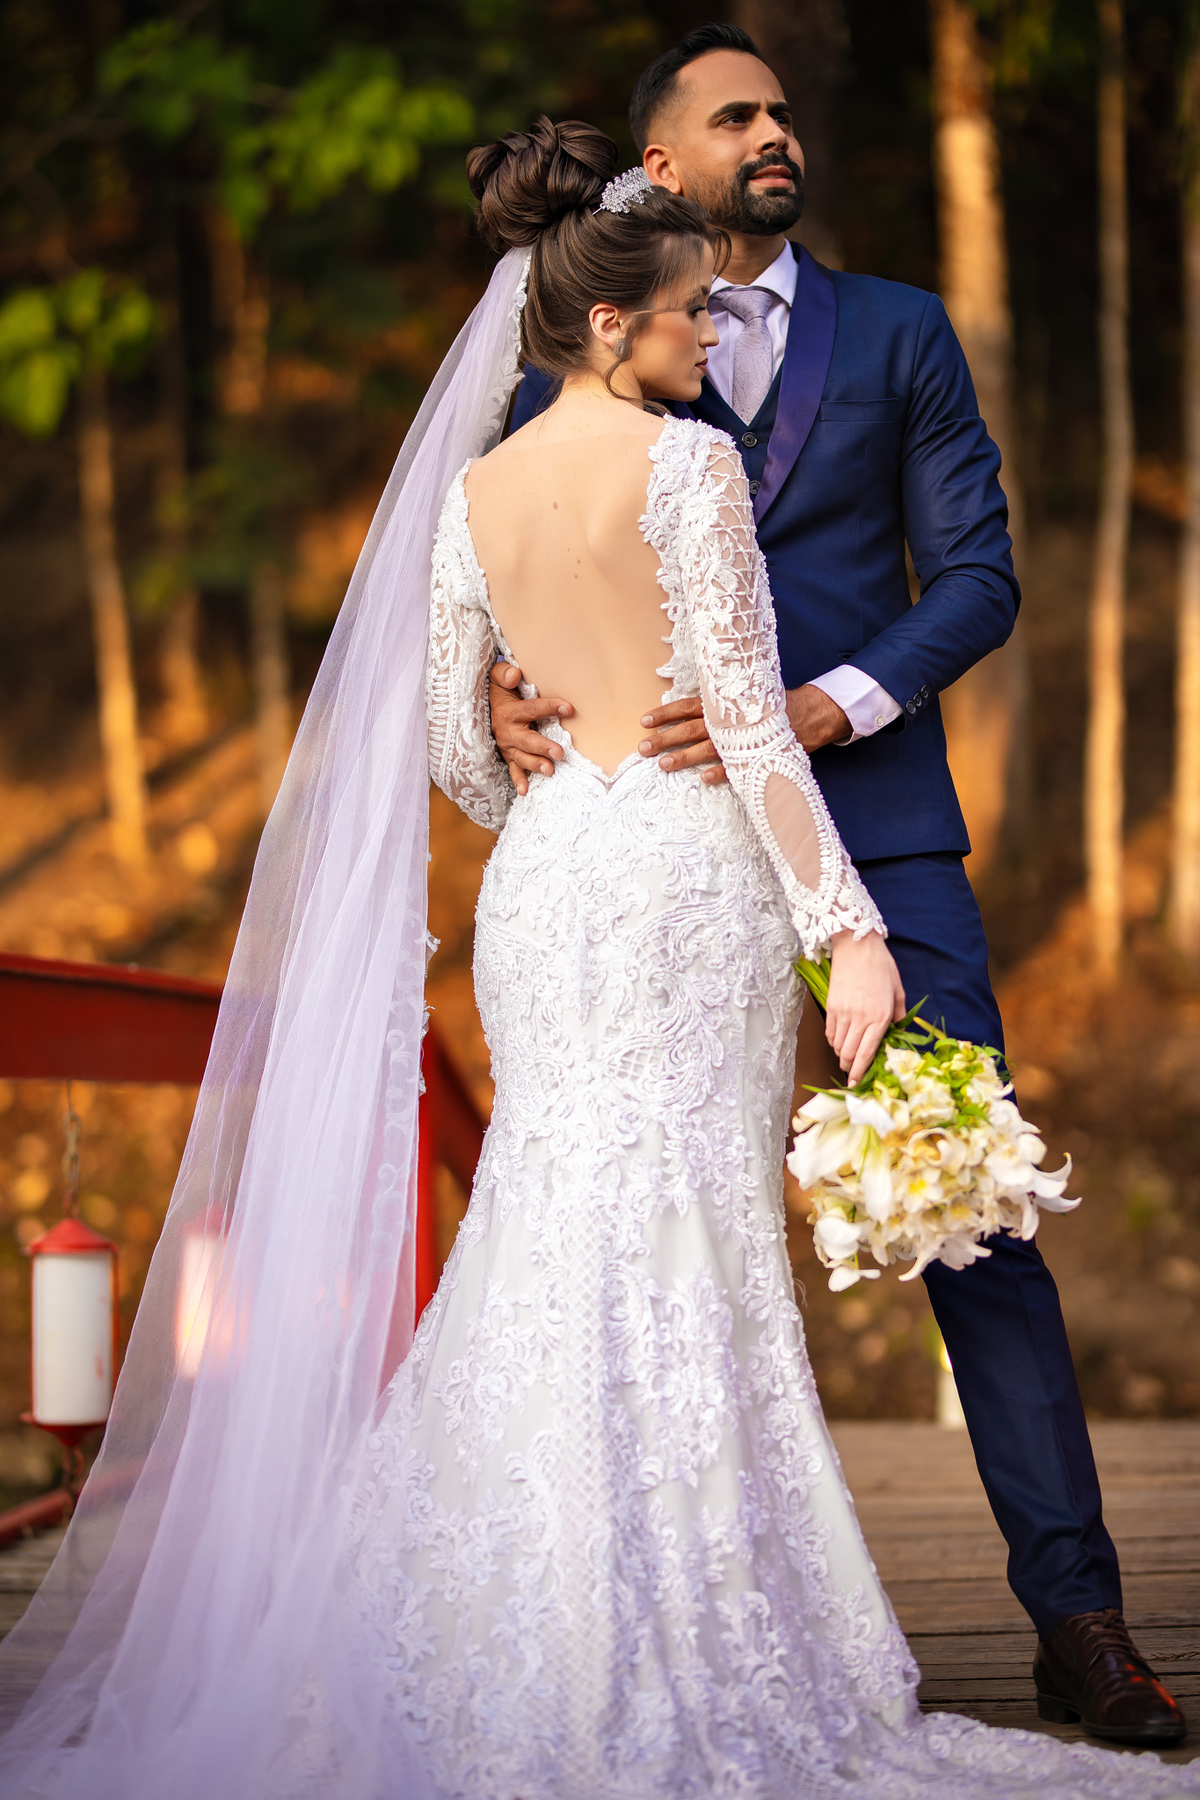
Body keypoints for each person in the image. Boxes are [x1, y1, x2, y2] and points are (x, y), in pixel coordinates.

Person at [0, 116, 1192, 1800]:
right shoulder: (688, 467)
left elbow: (464, 755)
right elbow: (752, 737)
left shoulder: (473, 491)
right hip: (685, 884)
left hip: (551, 884)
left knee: (551, 1222)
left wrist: (542, 758)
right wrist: (850, 934)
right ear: (616, 322)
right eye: (693, 310)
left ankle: (491, 1615)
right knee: (688, 1237)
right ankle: (666, 1622)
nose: (712, 331)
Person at [499, 24, 1186, 1749]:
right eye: (736, 114)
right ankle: (624, 1627)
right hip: (655, 862)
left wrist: (826, 706)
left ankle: (1083, 1623)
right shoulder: (579, 345)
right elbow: (521, 565)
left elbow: (978, 576)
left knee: (971, 1205)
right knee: (646, 1221)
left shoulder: (899, 333)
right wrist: (504, 698)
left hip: (872, 831)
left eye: (786, 111)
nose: (775, 131)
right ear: (661, 162)